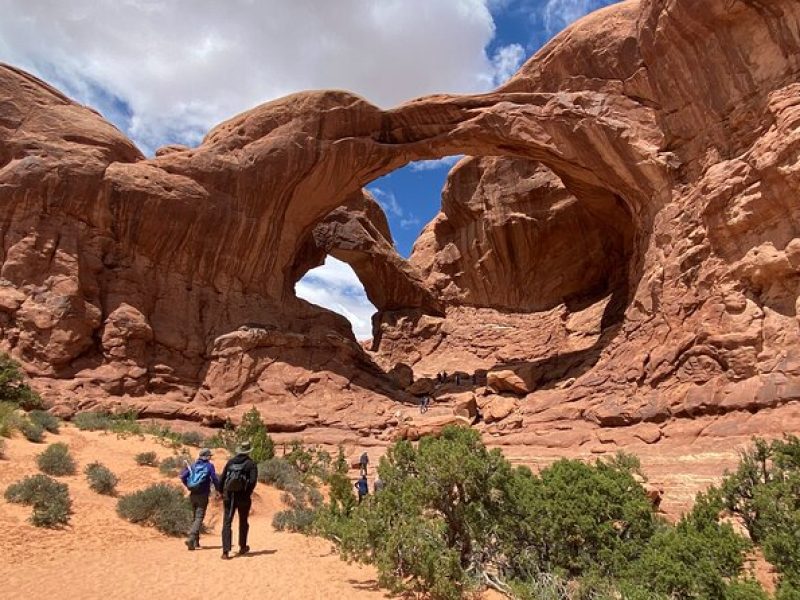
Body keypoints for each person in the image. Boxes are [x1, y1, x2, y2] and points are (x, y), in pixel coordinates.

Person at [219, 440, 259, 560]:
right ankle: (242, 546)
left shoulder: (230, 462)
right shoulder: (250, 464)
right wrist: (247, 492)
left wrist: (222, 492)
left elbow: (222, 479)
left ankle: (225, 551)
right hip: (243, 497)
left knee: (227, 522)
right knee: (243, 521)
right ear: (248, 451)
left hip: (229, 496)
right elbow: (252, 481)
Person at [180, 447, 221, 551]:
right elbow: (214, 478)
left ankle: (195, 542)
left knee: (195, 517)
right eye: (209, 456)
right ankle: (191, 538)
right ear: (207, 457)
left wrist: (189, 485)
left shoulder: (193, 465)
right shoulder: (209, 466)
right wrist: (218, 489)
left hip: (193, 494)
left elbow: (183, 477)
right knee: (199, 517)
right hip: (203, 494)